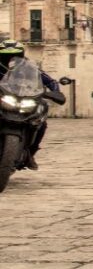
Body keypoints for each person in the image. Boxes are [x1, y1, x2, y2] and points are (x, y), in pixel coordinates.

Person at [0, 39, 61, 170]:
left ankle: (31, 153)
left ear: (21, 55)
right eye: (6, 55)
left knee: (40, 122)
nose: (10, 58)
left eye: (15, 55)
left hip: (24, 99)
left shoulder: (30, 68)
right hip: (3, 99)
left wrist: (56, 92)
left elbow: (50, 81)